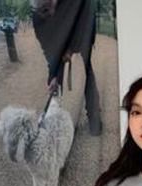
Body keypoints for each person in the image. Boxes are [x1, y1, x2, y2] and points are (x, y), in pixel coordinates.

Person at [30, 0, 102, 135]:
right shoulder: (38, 19)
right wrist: (53, 75)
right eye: (44, 11)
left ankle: (95, 119)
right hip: (61, 35)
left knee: (86, 70)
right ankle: (61, 120)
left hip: (81, 28)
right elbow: (48, 48)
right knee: (56, 79)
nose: (50, 13)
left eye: (49, 7)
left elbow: (84, 26)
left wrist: (71, 49)